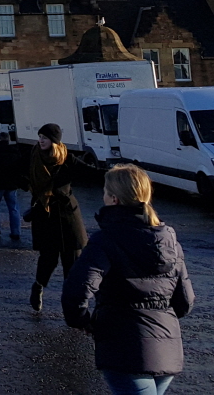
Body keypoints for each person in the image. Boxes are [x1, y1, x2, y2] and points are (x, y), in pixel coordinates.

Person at [62, 164, 195, 395]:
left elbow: (76, 291)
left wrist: (85, 322)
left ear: (114, 199)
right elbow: (185, 301)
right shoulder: (168, 238)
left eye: (105, 192)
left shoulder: (106, 239)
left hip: (123, 347)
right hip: (167, 348)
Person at [28, 122, 87, 312]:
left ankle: (71, 303)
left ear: (54, 141)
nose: (41, 140)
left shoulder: (67, 158)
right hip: (45, 215)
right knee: (48, 259)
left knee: (72, 262)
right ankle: (38, 286)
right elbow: (16, 172)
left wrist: (119, 175)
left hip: (67, 215)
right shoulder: (33, 156)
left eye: (45, 138)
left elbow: (90, 172)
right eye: (40, 137)